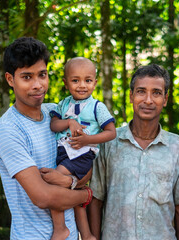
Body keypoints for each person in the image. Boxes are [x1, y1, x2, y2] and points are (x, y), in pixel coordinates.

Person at [0, 37, 91, 240]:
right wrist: (85, 195)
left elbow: (89, 160)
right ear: (10, 80)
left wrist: (68, 181)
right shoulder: (8, 130)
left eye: (42, 75)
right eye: (27, 77)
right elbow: (43, 197)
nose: (38, 85)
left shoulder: (58, 112)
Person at [87, 64, 179, 240]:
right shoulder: (108, 143)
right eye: (141, 91)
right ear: (131, 96)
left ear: (166, 99)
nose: (148, 100)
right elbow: (96, 199)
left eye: (157, 93)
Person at [48, 57, 116, 240]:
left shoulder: (97, 107)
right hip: (64, 152)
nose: (82, 85)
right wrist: (68, 122)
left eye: (87, 80)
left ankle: (60, 228)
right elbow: (54, 125)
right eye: (75, 80)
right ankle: (86, 235)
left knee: (54, 187)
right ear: (65, 82)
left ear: (95, 82)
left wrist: (88, 139)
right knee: (75, 193)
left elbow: (111, 132)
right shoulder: (62, 104)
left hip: (81, 155)